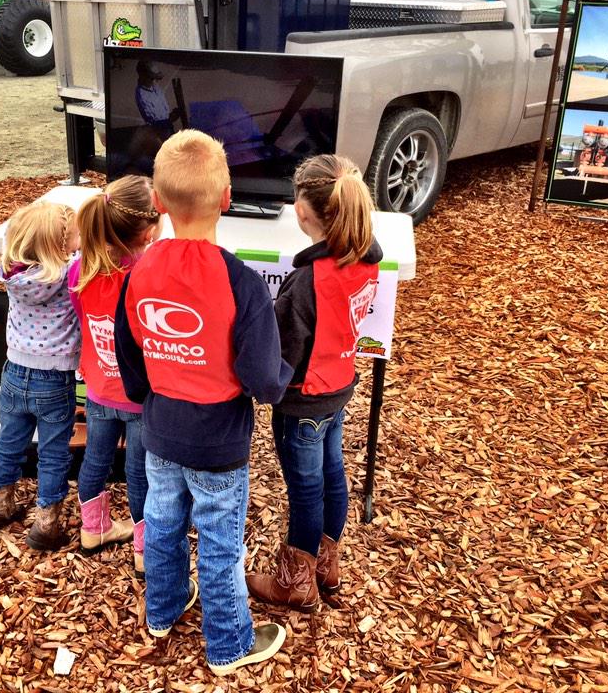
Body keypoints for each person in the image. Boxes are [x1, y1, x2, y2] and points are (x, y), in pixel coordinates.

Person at [113, 129, 293, 676]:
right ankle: (228, 645)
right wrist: (283, 380)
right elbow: (263, 377)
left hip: (161, 428)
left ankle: (163, 611)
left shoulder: (137, 272)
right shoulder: (242, 283)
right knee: (218, 542)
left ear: (159, 203)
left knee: (162, 520)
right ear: (226, 197)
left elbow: (129, 355)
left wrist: (148, 396)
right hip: (219, 440)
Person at [246, 155, 383, 611]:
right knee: (332, 476)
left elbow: (279, 352)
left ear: (300, 212)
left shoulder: (306, 282)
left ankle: (294, 582)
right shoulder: (364, 259)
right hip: (337, 387)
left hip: (303, 402)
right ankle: (327, 564)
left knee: (305, 489)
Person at [68, 176, 161, 576]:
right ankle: (143, 550)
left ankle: (94, 529)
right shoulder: (149, 276)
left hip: (98, 389)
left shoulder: (80, 270)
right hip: (141, 398)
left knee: (95, 461)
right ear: (151, 229)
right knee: (140, 475)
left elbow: (81, 317)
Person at [0, 201, 82, 551]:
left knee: (8, 440)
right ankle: (46, 523)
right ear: (58, 246)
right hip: (54, 378)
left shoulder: (12, 273)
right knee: (53, 452)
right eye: (72, 237)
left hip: (13, 372)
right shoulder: (70, 275)